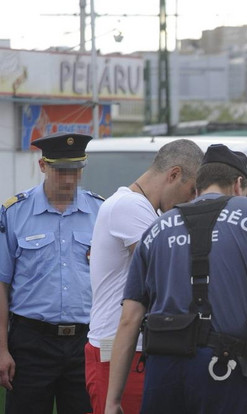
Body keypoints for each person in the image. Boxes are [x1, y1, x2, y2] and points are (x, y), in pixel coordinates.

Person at [104, 144, 247, 414]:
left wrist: (112, 400)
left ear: (197, 186)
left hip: (163, 370)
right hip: (224, 369)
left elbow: (129, 318)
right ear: (237, 185)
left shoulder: (155, 229)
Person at [86, 139, 204, 414]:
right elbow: (169, 270)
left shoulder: (138, 208)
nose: (191, 200)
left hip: (129, 349)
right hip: (120, 351)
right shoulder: (131, 207)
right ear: (173, 174)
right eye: (190, 190)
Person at [0, 132, 104, 413]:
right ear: (43, 165)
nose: (69, 179)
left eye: (75, 170)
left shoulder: (100, 212)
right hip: (31, 343)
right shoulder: (13, 213)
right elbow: (2, 285)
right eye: (60, 171)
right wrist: (2, 349)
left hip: (85, 342)